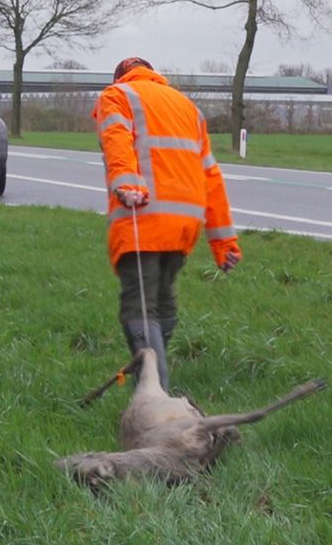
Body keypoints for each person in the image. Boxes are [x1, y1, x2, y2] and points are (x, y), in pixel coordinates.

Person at [93, 56, 241, 394]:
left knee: (139, 306)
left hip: (142, 212)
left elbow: (117, 141)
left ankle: (154, 393)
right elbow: (211, 175)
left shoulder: (117, 95)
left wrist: (128, 184)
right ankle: (150, 373)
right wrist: (223, 243)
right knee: (161, 302)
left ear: (122, 76)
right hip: (185, 220)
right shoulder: (187, 107)